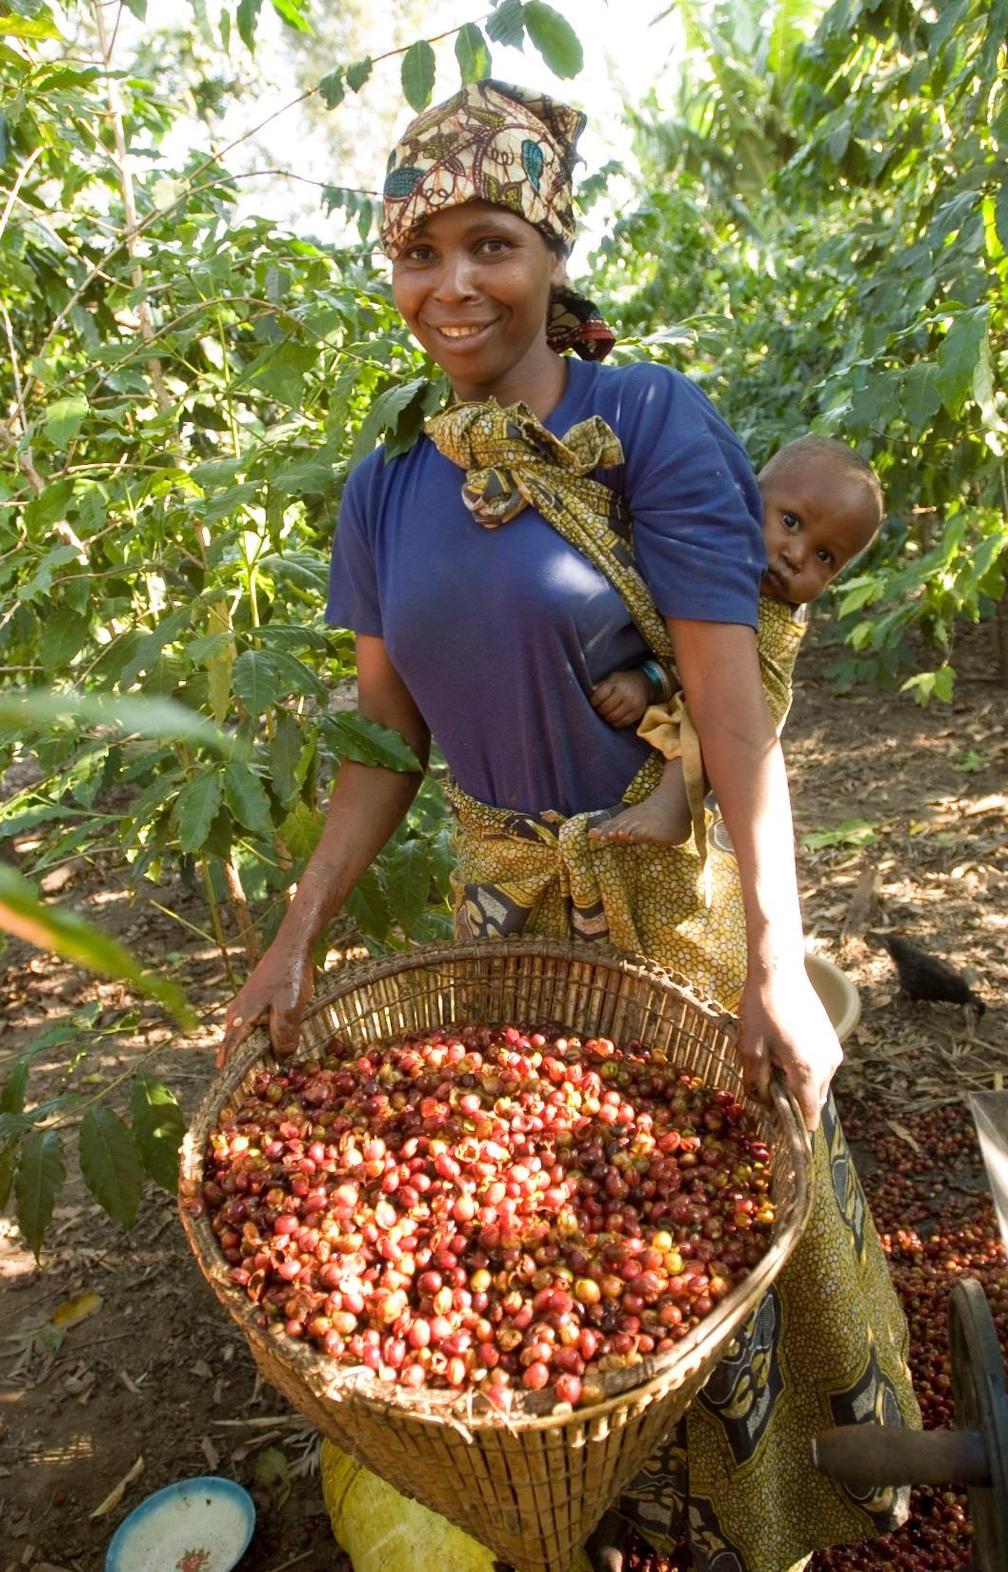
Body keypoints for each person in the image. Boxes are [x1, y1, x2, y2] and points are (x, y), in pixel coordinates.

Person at [216, 79, 919, 1572]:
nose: (453, 285)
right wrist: (295, 937)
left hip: (662, 898)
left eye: (493, 244)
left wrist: (779, 957)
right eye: (420, 253)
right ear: (390, 272)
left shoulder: (645, 419)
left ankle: (761, 1519)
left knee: (719, 1233)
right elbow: (381, 743)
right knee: (530, 1240)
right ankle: (571, 1514)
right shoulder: (388, 485)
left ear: (551, 252)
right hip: (504, 919)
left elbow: (735, 716)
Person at [589, 437, 884, 847]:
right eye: (791, 522)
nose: (797, 554)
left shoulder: (767, 610)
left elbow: (710, 664)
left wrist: (647, 681)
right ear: (748, 494)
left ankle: (673, 805)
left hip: (748, 700)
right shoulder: (716, 553)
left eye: (825, 557)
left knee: (717, 719)